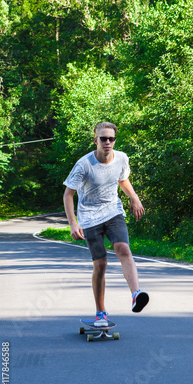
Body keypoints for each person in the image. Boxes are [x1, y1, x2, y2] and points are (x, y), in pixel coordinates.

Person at [63, 121, 149, 327]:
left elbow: (123, 180)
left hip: (113, 212)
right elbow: (68, 194)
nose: (108, 142)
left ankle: (136, 293)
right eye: (103, 138)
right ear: (96, 140)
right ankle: (100, 313)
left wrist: (134, 198)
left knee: (123, 249)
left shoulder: (121, 158)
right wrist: (73, 224)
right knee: (100, 264)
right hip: (90, 217)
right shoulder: (83, 165)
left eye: (111, 138)